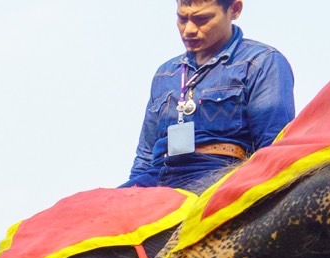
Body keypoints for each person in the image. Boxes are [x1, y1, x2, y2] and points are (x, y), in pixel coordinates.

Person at [120, 0, 294, 189]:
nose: (189, 30)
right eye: (182, 18)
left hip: (218, 175)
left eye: (201, 19)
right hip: (157, 176)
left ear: (234, 9)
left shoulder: (261, 62)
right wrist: (130, 193)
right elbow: (145, 156)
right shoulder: (165, 73)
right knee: (98, 208)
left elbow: (273, 145)